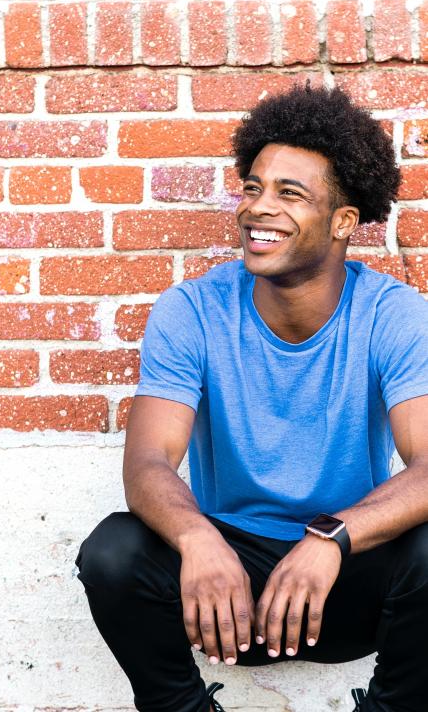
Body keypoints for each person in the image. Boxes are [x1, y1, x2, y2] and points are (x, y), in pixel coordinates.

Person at [75, 84, 428, 712]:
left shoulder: (393, 316)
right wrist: (197, 541)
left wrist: (329, 539)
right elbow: (149, 464)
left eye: (290, 194)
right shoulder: (192, 309)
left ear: (346, 221)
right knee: (114, 549)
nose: (258, 209)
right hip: (224, 595)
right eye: (253, 187)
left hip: (340, 582)